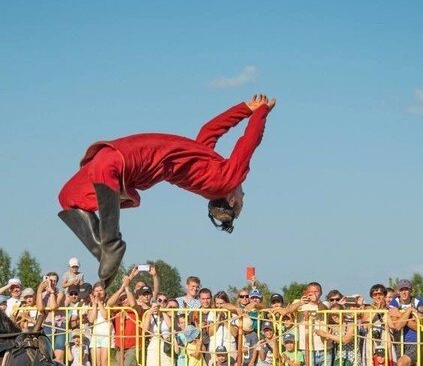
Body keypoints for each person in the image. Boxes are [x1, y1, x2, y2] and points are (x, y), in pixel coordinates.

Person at [57, 95, 276, 286]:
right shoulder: (205, 167)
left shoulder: (227, 179)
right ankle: (101, 249)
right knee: (68, 197)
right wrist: (245, 109)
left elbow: (249, 142)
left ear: (231, 201)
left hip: (142, 157)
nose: (242, 191)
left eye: (242, 197)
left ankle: (111, 245)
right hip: (136, 170)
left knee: (105, 169)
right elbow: (209, 131)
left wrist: (259, 111)